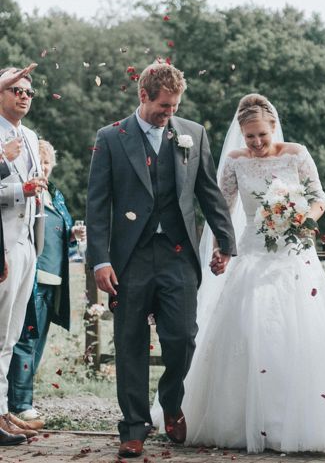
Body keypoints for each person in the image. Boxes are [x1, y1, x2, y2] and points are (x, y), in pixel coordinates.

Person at [163, 94, 325, 453]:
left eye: (261, 135)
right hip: (253, 253)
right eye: (250, 137)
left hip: (294, 254)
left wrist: (302, 217)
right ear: (241, 136)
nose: (257, 143)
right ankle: (246, 421)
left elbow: (319, 197)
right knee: (252, 326)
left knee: (297, 330)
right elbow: (221, 210)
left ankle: (295, 421)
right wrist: (219, 247)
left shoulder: (296, 153)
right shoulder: (234, 162)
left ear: (273, 126)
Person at [86, 62, 237, 459]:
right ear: (143, 96)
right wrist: (99, 260)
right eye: (162, 106)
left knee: (183, 338)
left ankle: (170, 402)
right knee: (130, 342)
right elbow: (98, 206)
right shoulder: (111, 138)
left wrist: (225, 241)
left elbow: (209, 193)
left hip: (177, 255)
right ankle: (133, 428)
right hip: (130, 259)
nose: (169, 113)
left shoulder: (193, 134)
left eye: (174, 106)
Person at [8, 140, 84, 425]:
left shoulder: (55, 194)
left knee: (36, 344)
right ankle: (20, 403)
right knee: (25, 342)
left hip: (55, 279)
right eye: (41, 163)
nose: (46, 168)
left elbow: (56, 231)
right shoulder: (29, 194)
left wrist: (72, 234)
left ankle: (21, 399)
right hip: (35, 276)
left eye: (49, 162)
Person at [0, 66, 46, 444]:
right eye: (15, 89)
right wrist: (21, 190)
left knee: (11, 337)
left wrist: (38, 188)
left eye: (28, 91)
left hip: (28, 242)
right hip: (3, 243)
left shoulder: (29, 135)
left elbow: (34, 184)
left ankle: (2, 412)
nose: (24, 96)